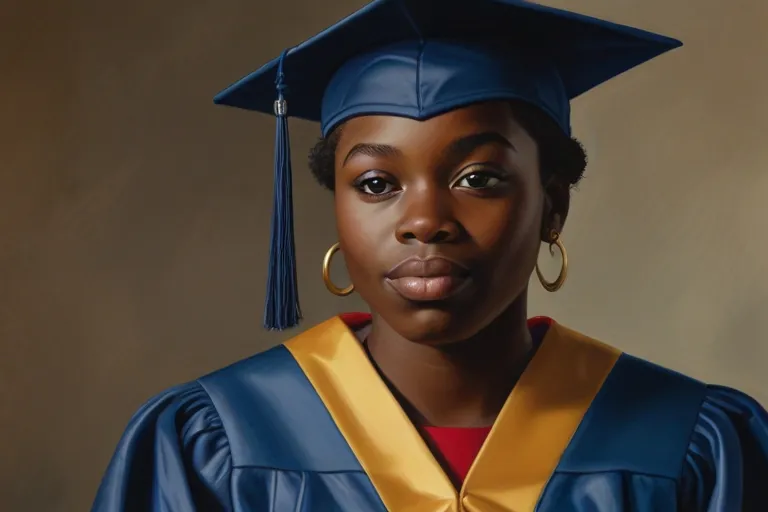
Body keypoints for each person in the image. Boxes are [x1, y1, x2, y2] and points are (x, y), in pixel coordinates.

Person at [91, 0, 768, 511]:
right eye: (377, 184)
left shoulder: (692, 445)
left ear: (553, 206)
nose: (424, 221)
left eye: (479, 178)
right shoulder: (214, 445)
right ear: (338, 206)